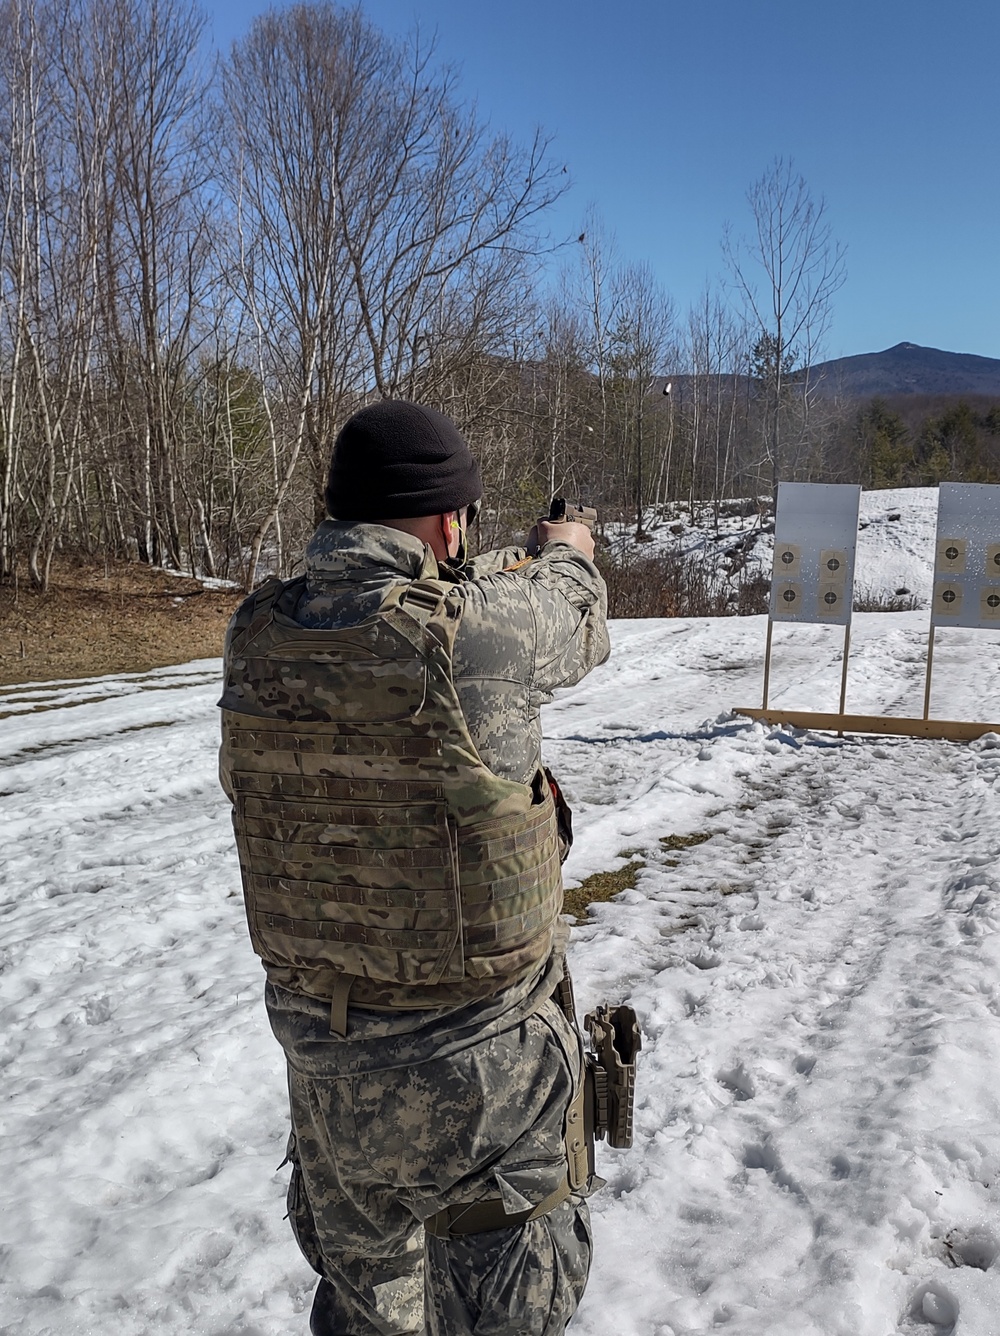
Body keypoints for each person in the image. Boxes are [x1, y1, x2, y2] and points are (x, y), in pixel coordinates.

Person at [218, 400, 610, 1335]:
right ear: (447, 523)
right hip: (478, 1078)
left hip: (325, 1071)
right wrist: (567, 545)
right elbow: (577, 615)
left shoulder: (256, 633)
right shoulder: (466, 631)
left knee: (366, 1315)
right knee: (509, 1299)